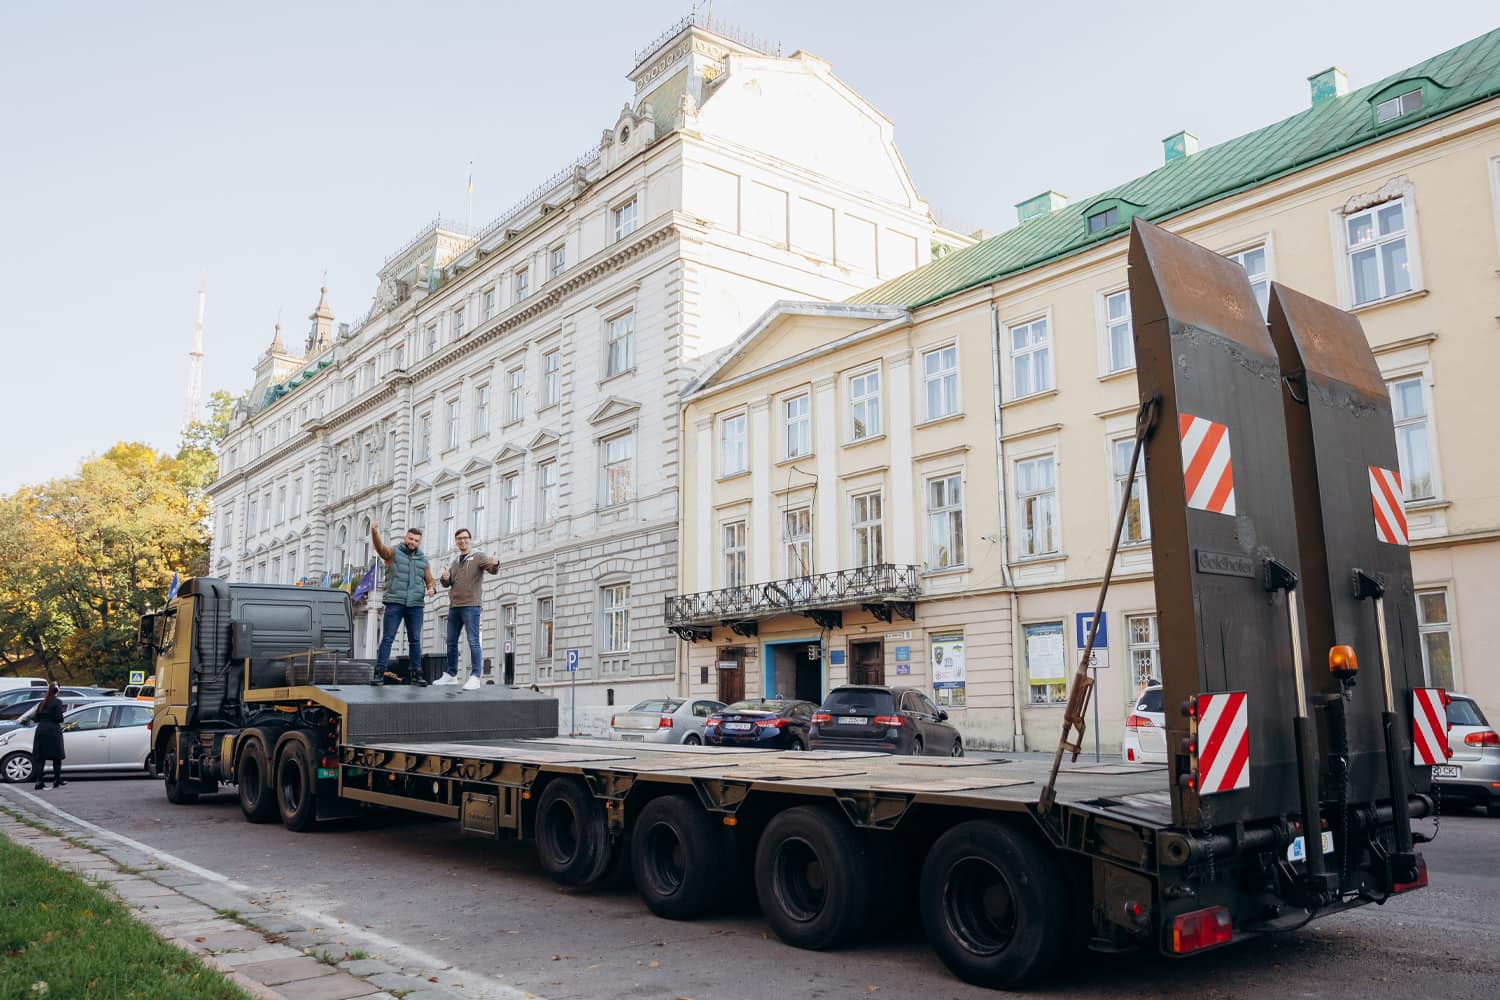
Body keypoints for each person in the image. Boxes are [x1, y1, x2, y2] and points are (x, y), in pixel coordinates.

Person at [370, 522, 436, 686]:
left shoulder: (423, 560)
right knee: (388, 638)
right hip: (395, 602)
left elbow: (430, 580)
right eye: (410, 539)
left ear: (419, 542)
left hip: (415, 604)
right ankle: (379, 673)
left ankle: (416, 674)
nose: (413, 542)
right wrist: (374, 532)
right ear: (405, 538)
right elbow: (380, 549)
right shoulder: (393, 552)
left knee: (415, 640)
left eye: (416, 540)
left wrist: (431, 589)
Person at [438, 527, 500, 691]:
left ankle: (475, 676)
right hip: (454, 606)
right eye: (459, 538)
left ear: (470, 540)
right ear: (456, 542)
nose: (462, 541)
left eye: (465, 538)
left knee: (473, 641)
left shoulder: (478, 556)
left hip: (471, 605)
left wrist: (495, 563)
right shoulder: (455, 561)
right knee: (451, 641)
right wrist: (444, 578)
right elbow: (448, 583)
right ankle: (451, 674)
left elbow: (492, 569)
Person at [31, 682, 66, 789]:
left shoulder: (42, 702)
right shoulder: (57, 702)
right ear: (58, 690)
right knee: (57, 757)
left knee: (41, 757)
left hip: (41, 730)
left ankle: (39, 782)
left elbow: (36, 717)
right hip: (53, 730)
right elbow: (59, 718)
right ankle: (57, 779)